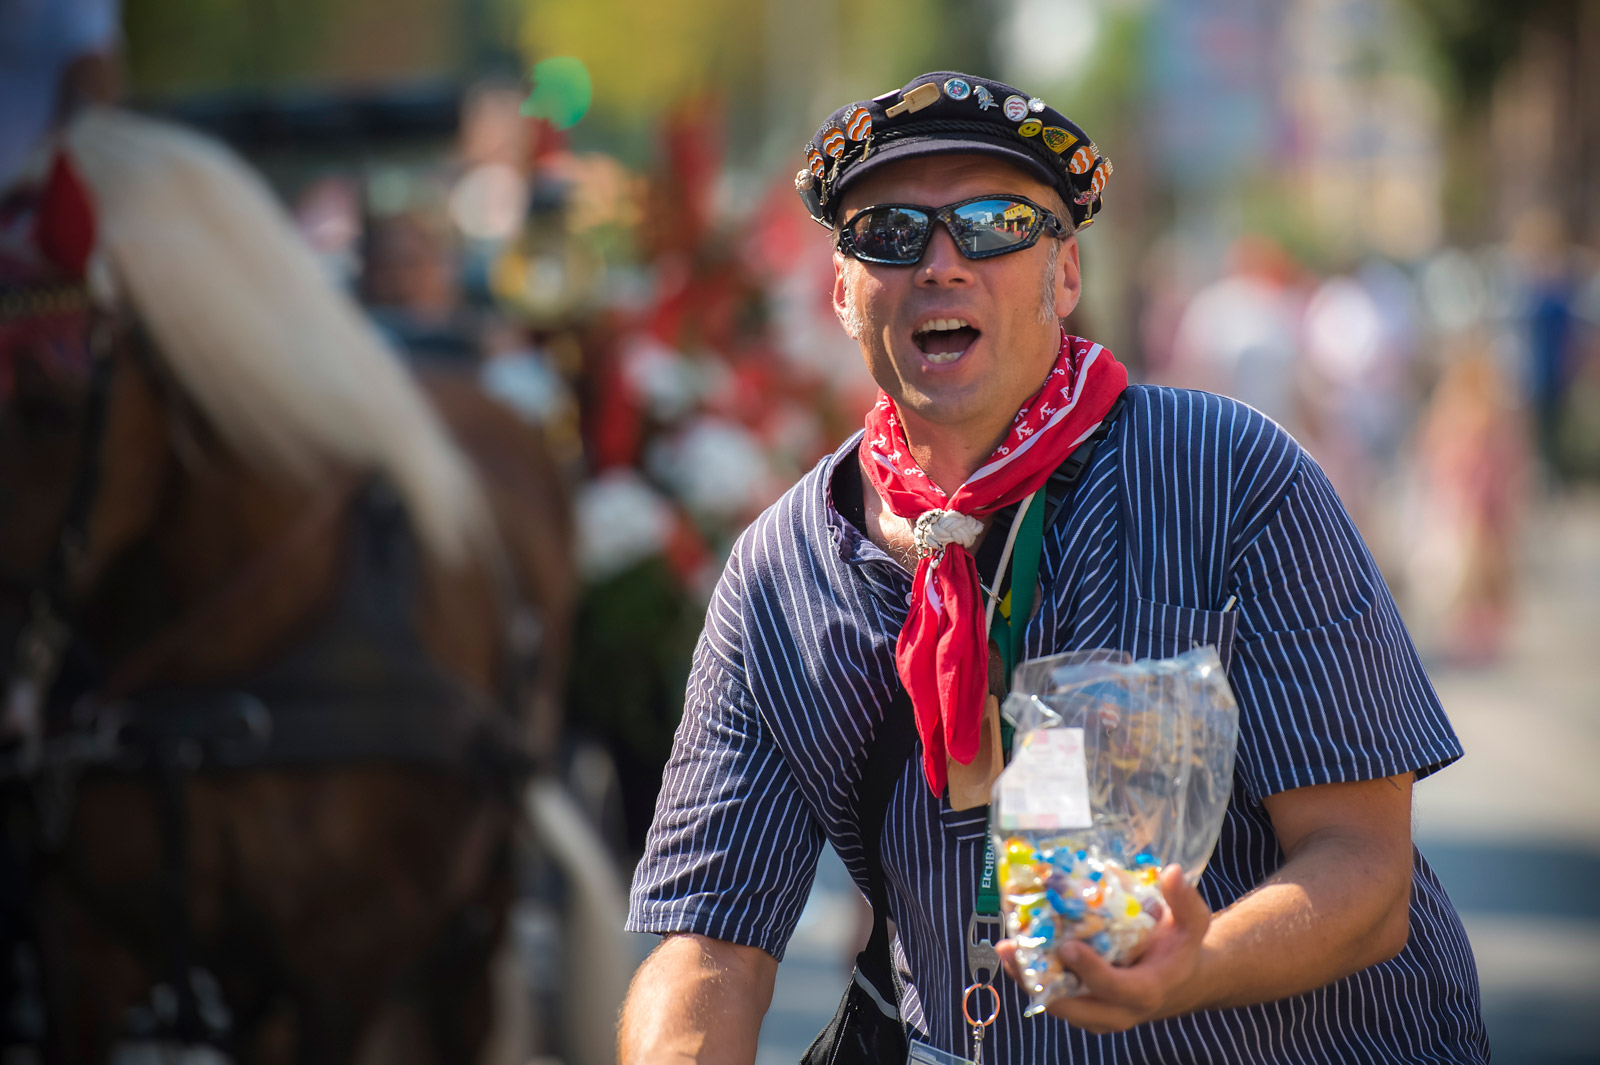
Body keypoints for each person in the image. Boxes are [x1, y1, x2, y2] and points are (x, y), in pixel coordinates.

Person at [620, 71, 1488, 1064]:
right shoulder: (779, 571)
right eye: (890, 233)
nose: (941, 263)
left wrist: (1193, 967)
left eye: (993, 223)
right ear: (841, 288)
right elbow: (709, 949)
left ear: (1062, 276)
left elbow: (1363, 872)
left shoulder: (1236, 475)